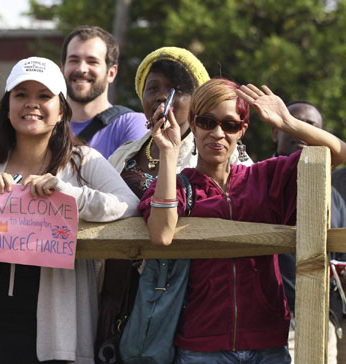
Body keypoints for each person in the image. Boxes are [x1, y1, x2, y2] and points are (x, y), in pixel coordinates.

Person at [0, 56, 139, 364]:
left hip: (59, 335)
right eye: (21, 95)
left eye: (44, 96)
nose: (31, 104)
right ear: (7, 105)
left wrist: (68, 194)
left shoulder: (82, 160)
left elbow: (129, 204)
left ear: (62, 108)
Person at [141, 78, 346, 363]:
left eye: (230, 125)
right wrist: (168, 151)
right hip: (201, 346)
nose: (217, 133)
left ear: (242, 131)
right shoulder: (176, 186)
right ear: (193, 123)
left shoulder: (265, 177)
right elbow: (161, 234)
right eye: (206, 121)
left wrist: (287, 121)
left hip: (269, 343)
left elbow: (339, 153)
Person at [98, 47, 250, 350]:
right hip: (117, 292)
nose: (162, 98)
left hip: (184, 300)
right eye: (153, 88)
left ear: (196, 102)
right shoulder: (122, 155)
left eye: (176, 90)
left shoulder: (218, 155)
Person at [273, 101, 346, 364]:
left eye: (310, 127)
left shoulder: (335, 197)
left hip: (322, 321)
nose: (301, 132)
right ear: (275, 131)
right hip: (270, 322)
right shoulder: (255, 179)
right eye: (293, 123)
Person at [61, 25, 147, 158]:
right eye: (74, 60)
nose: (81, 68)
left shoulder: (130, 125)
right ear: (63, 68)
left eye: (92, 62)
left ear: (111, 73)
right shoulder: (46, 125)